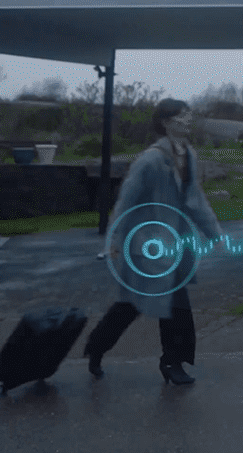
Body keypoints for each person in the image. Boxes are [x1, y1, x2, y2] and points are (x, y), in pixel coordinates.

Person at [84, 98, 223, 385]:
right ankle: (97, 347)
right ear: (166, 122)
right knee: (131, 306)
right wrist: (114, 240)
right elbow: (125, 202)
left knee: (178, 305)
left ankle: (173, 361)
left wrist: (214, 233)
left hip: (178, 244)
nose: (188, 119)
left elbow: (195, 200)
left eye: (189, 114)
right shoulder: (149, 160)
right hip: (147, 244)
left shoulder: (189, 155)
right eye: (183, 115)